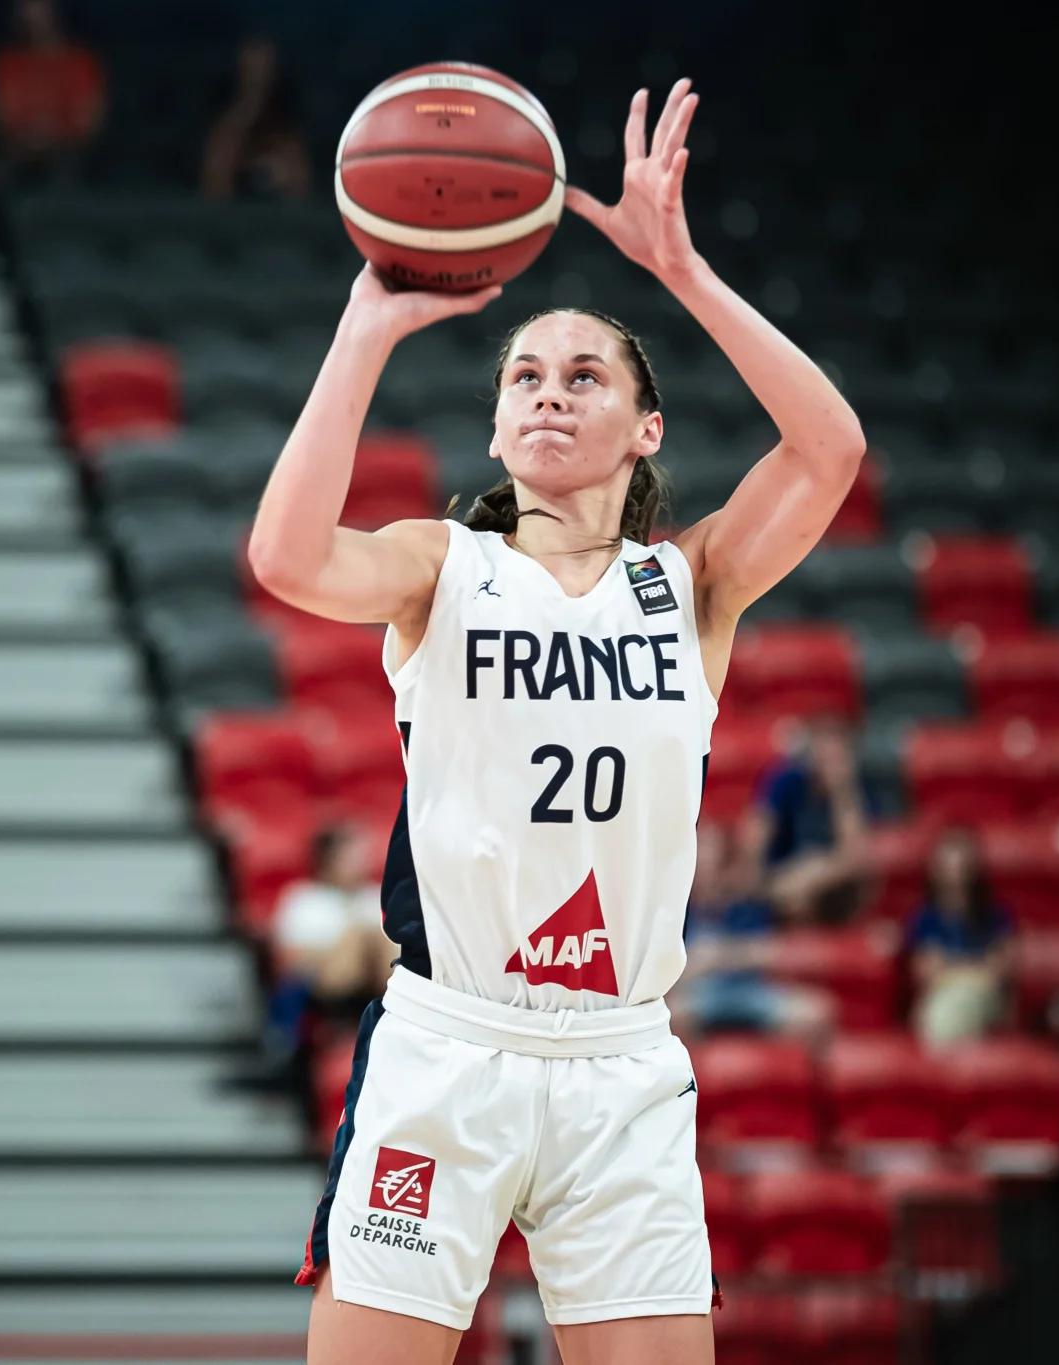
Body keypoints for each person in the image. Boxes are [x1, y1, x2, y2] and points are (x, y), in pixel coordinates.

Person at [248, 78, 867, 1364]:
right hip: (448, 1050)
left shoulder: (686, 583)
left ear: (644, 429)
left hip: (618, 1066)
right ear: (493, 422)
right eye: (523, 374)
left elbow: (828, 452)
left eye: (584, 376)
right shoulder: (438, 567)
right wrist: (364, 331)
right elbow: (288, 556)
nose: (546, 392)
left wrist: (684, 272)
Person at [229, 822, 394, 1096]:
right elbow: (293, 958)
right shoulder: (304, 899)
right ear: (327, 859)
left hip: (375, 984)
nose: (360, 863)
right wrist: (346, 945)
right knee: (361, 933)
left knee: (375, 936)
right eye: (350, 856)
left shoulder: (374, 896)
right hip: (324, 987)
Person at [669, 824, 834, 1042]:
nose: (704, 864)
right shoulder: (676, 909)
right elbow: (674, 975)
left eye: (711, 856)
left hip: (751, 990)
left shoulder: (747, 900)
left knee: (818, 1012)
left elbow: (767, 953)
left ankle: (782, 1073)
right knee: (671, 1017)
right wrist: (733, 956)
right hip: (699, 995)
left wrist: (718, 957)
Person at [741, 714, 876, 924]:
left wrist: (841, 791)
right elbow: (756, 833)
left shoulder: (855, 791)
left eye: (836, 747)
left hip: (833, 894)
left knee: (817, 869)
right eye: (822, 742)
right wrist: (762, 877)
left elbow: (854, 858)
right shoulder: (787, 780)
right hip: (781, 882)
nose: (828, 752)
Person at [0, 0, 105, 189]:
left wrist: (52, 137)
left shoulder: (81, 62)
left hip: (67, 153)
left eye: (39, 8)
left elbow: (89, 122)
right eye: (25, 9)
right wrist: (27, 137)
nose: (31, 16)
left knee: (69, 171)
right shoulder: (6, 63)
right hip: (16, 152)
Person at [904, 825, 1015, 1047]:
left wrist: (951, 971)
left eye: (960, 865)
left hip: (986, 1003)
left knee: (956, 1006)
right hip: (941, 1000)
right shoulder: (923, 920)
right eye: (947, 865)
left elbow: (999, 973)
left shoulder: (996, 917)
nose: (954, 873)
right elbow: (928, 975)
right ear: (935, 870)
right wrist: (976, 970)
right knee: (945, 1009)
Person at [200, 37, 312, 201]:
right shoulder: (222, 122)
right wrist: (248, 105)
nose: (258, 77)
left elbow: (300, 186)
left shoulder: (286, 127)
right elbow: (213, 183)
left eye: (264, 70)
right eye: (250, 71)